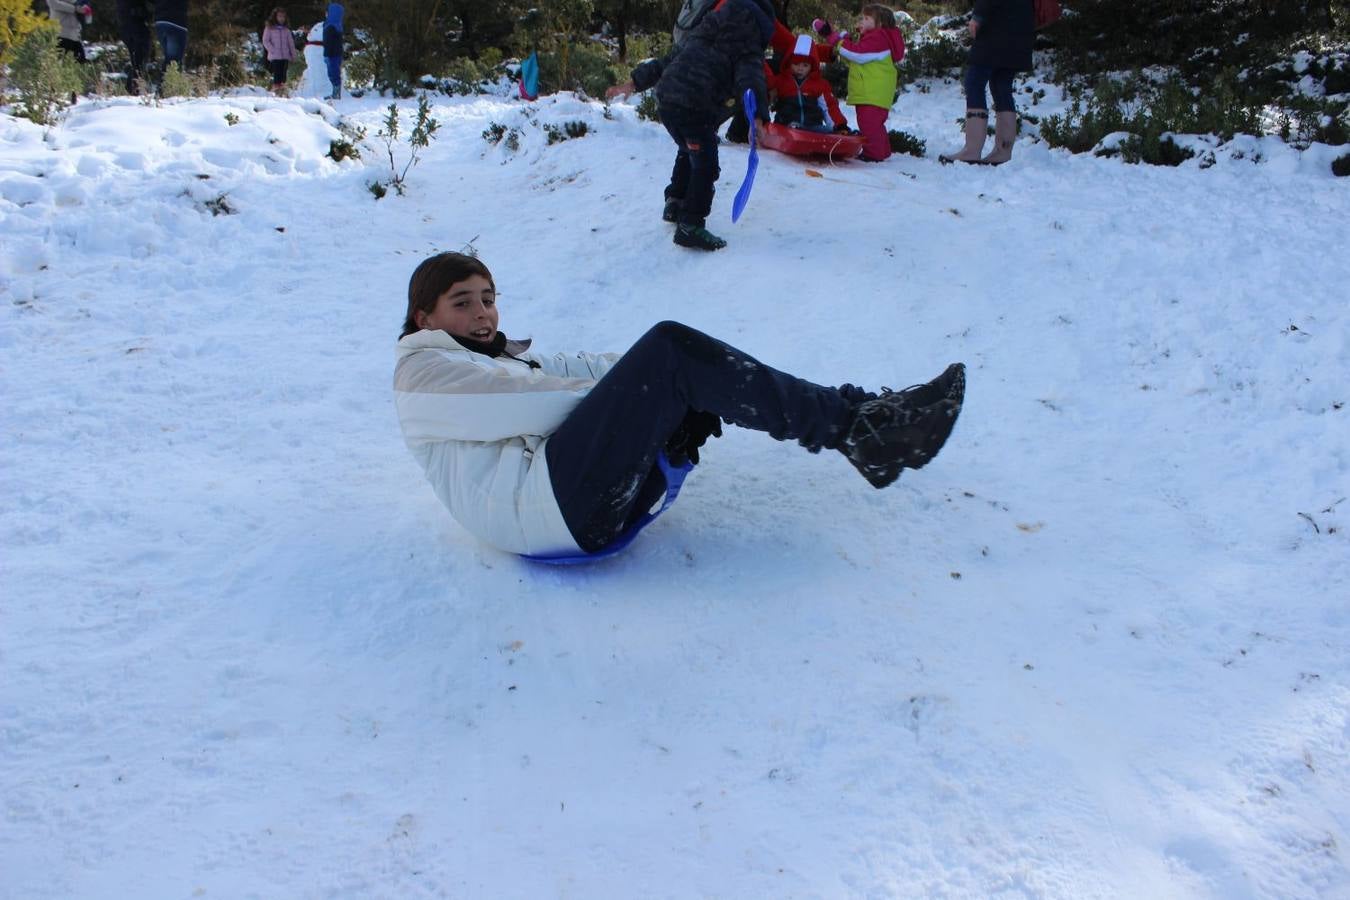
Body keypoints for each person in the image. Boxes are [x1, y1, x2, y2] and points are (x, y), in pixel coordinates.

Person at [393, 252, 966, 558]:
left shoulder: (500, 359)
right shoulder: (423, 371)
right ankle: (861, 430)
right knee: (669, 354)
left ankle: (863, 417)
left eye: (489, 299)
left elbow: (590, 369)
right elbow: (533, 405)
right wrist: (661, 386)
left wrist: (682, 379)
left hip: (560, 506)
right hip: (545, 510)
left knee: (672, 356)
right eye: (462, 303)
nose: (483, 313)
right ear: (425, 318)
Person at [604, 0, 779, 252]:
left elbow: (666, 60)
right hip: (696, 105)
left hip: (666, 100)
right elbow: (750, 80)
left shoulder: (704, 28)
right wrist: (757, 119)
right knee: (705, 164)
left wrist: (631, 84)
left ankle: (675, 201)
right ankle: (691, 224)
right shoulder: (748, 41)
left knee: (688, 148)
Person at [938, 0, 1034, 165]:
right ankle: (1003, 151)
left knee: (975, 81)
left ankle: (972, 150)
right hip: (1021, 26)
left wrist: (978, 16)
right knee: (1001, 85)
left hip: (997, 28)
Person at [813, 5, 905, 162]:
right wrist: (845, 41)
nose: (861, 21)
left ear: (880, 24)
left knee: (869, 124)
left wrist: (833, 38)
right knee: (874, 124)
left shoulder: (878, 39)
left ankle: (873, 154)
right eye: (862, 17)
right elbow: (857, 59)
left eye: (866, 19)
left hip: (872, 92)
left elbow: (856, 54)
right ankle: (882, 151)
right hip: (872, 92)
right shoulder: (875, 40)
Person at [767, 34, 848, 133]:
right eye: (796, 64)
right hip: (785, 127)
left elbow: (829, 107)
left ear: (812, 66)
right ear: (789, 62)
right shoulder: (781, 81)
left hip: (812, 127)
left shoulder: (820, 84)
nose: (800, 68)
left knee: (827, 130)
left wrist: (839, 125)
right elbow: (767, 94)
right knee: (791, 126)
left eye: (805, 65)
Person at [115, 0, 152, 94]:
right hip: (135, 23)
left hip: (126, 24)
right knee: (140, 58)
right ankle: (133, 89)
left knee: (137, 60)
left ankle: (133, 88)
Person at [262, 7, 296, 96]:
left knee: (283, 75)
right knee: (277, 74)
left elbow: (291, 43)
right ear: (275, 17)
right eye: (279, 16)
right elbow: (265, 41)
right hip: (275, 56)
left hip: (285, 56)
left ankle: (282, 91)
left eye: (283, 17)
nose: (281, 19)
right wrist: (272, 50)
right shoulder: (269, 28)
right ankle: (276, 92)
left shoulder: (286, 30)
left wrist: (293, 55)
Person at [153, 0, 189, 74]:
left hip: (160, 21)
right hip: (176, 22)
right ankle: (168, 83)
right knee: (174, 62)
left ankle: (165, 81)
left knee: (169, 58)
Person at [322, 3, 344, 100]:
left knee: (333, 73)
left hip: (331, 54)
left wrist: (326, 54)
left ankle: (336, 93)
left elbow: (329, 42)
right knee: (334, 72)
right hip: (336, 53)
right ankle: (336, 92)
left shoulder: (330, 27)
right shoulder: (337, 25)